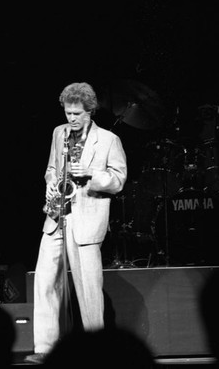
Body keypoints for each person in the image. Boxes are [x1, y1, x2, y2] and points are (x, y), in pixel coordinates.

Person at [25, 82, 127, 364]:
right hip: (56, 215)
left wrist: (91, 174)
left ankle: (96, 349)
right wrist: (49, 184)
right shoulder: (59, 133)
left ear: (90, 112)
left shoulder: (108, 140)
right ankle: (45, 349)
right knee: (45, 281)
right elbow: (51, 169)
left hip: (86, 220)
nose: (70, 119)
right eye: (68, 113)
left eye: (76, 114)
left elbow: (118, 181)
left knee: (88, 288)